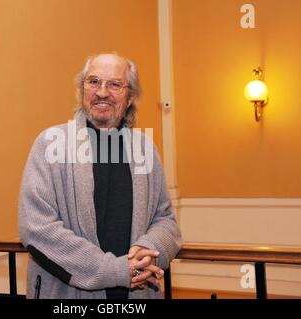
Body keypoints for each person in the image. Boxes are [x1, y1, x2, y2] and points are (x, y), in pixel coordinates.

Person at [19, 53, 182, 299]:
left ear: (130, 97)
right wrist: (117, 270)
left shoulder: (144, 149)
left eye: (115, 85)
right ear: (82, 89)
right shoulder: (50, 144)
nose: (102, 92)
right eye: (93, 82)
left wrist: (150, 247)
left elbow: (166, 220)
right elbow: (37, 228)